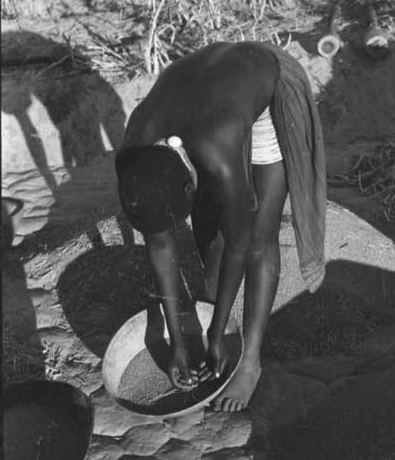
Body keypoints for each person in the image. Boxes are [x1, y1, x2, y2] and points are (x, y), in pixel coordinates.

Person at [116, 41, 326, 413]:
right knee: (210, 233)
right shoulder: (134, 152)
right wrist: (178, 342)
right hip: (207, 90)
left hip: (260, 80)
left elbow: (241, 244)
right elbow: (159, 243)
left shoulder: (218, 151)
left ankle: (250, 360)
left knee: (259, 234)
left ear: (190, 183)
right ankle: (215, 323)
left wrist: (217, 334)